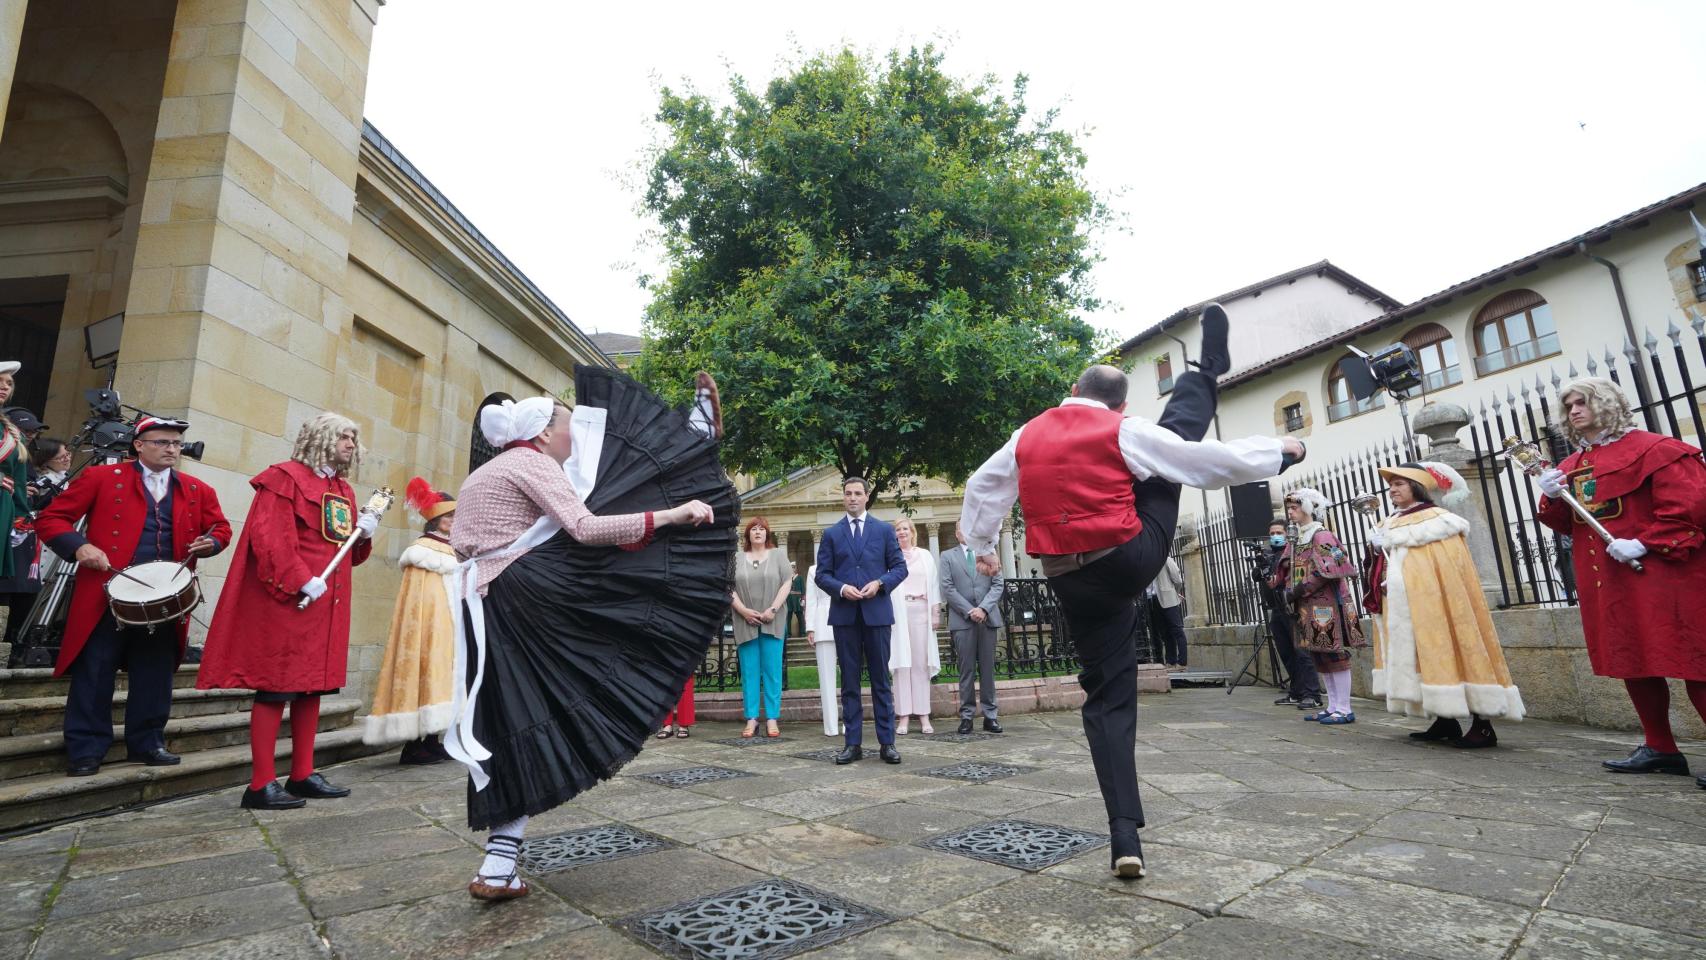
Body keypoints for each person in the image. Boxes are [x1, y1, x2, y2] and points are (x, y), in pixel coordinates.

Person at [960, 303, 1303, 878]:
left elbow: (982, 486)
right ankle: (1205, 371)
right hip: (1127, 561)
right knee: (1170, 459)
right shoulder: (1123, 428)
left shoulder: (1026, 434)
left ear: (1072, 390)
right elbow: (1202, 461)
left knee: (1107, 701)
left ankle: (1125, 837)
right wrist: (1278, 452)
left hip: (1066, 578)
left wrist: (984, 544)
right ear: (1119, 403)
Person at [445, 368, 730, 901]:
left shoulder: (484, 473)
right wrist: (672, 514)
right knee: (623, 605)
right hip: (527, 597)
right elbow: (585, 528)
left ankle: (499, 863)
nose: (575, 432)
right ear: (544, 433)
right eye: (568, 424)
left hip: (485, 604)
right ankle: (694, 436)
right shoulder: (532, 464)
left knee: (514, 717)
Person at [198, 413, 377, 810]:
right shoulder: (284, 477)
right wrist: (299, 579)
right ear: (320, 438)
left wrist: (364, 535)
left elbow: (347, 553)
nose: (351, 444)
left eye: (353, 438)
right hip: (290, 599)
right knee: (276, 687)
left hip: (326, 602)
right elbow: (270, 538)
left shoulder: (343, 489)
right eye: (343, 437)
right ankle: (260, 783)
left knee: (312, 686)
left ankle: (302, 773)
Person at [1534, 376, 1706, 788]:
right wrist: (1552, 497)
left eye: (1583, 402)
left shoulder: (1657, 449)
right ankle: (1661, 747)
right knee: (1634, 657)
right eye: (1569, 405)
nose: (1574, 410)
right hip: (1610, 580)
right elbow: (1567, 524)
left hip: (1666, 574)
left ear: (1607, 403)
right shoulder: (1572, 465)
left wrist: (1645, 543)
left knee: (1694, 659)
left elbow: (1691, 509)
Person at [35, 416, 230, 776]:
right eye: (162, 442)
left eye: (175, 443)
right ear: (139, 445)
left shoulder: (196, 488)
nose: (171, 449)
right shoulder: (101, 478)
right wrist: (80, 547)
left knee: (155, 673)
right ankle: (86, 749)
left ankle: (148, 742)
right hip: (106, 593)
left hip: (165, 597)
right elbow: (51, 519)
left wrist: (212, 542)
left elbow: (220, 527)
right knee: (95, 670)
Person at [1365, 461, 1522, 748]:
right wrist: (1378, 555)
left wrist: (1402, 576)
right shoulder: (1389, 521)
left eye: (1399, 483)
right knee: (1425, 657)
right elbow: (1393, 565)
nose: (1392, 490)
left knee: (1459, 650)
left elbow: (1444, 568)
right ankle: (1444, 719)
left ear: (1417, 486)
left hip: (1440, 604)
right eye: (1391, 485)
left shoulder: (1438, 521)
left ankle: (1482, 724)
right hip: (1407, 606)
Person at [364, 478, 460, 764]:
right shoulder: (423, 551)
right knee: (422, 672)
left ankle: (432, 740)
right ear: (438, 520)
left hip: (448, 627)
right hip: (426, 628)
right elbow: (421, 601)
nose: (455, 521)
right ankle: (414, 744)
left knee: (440, 678)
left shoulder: (452, 548)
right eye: (450, 516)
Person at [817, 476, 909, 765]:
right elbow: (822, 574)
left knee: (881, 680)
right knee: (850, 683)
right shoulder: (831, 534)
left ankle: (887, 743)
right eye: (848, 493)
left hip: (877, 614)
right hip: (845, 615)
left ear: (867, 496)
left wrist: (880, 583)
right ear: (843, 497)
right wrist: (842, 588)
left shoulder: (883, 531)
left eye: (858, 493)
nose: (853, 497)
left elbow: (899, 567)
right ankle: (852, 743)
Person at [1270, 488, 1365, 725]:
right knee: (1319, 655)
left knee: (1334, 654)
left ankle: (1344, 707)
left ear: (1309, 508)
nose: (1290, 512)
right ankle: (1332, 705)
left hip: (1326, 604)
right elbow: (1286, 568)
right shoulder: (1296, 537)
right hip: (1305, 606)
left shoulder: (1320, 535)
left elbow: (1331, 566)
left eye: (1294, 507)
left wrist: (1301, 588)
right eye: (1289, 508)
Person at [731, 516, 791, 738]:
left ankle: (772, 718)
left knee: (772, 671)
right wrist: (744, 611)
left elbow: (787, 582)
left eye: (761, 529)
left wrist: (772, 609)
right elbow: (727, 587)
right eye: (753, 529)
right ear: (747, 535)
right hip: (744, 621)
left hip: (772, 620)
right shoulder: (736, 558)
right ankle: (752, 718)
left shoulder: (778, 556)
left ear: (767, 533)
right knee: (749, 671)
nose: (757, 532)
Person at [941, 526, 1004, 735]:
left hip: (987, 619)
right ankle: (966, 716)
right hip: (962, 621)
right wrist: (970, 611)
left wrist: (984, 608)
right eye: (960, 528)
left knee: (988, 670)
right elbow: (947, 588)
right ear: (957, 532)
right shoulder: (947, 556)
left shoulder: (989, 553)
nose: (964, 532)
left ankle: (990, 716)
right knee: (966, 670)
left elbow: (997, 584)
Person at [1259, 518, 1321, 710]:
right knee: (1286, 651)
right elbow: (1271, 581)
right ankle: (1296, 691)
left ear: (1288, 533)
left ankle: (1312, 693)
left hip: (1293, 607)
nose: (1275, 537)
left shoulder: (1294, 551)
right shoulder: (1272, 554)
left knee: (1302, 652)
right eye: (1272, 534)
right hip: (1276, 608)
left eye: (1279, 532)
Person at [889, 517, 941, 734]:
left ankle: (923, 715)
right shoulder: (891, 557)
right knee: (902, 664)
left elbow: (935, 584)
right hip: (899, 612)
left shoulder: (925, 556)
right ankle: (903, 716)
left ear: (912, 532)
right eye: (898, 530)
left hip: (921, 610)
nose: (901, 532)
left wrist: (936, 612)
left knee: (920, 663)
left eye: (905, 529)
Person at [0, 364, 30, 588]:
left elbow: (19, 481)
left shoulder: (12, 433)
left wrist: (20, 517)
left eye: (9, 384)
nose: (4, 387)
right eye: (0, 381)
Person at [804, 562, 840, 736]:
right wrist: (810, 627)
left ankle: (851, 723)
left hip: (848, 622)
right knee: (826, 679)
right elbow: (811, 599)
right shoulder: (814, 569)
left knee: (851, 677)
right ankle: (831, 726)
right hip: (823, 621)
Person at [1148, 554, 1187, 668]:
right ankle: (1171, 661)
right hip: (1153, 600)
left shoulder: (1165, 558)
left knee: (1177, 630)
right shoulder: (1147, 561)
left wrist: (1174, 592)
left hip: (1169, 598)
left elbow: (1177, 579)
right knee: (1165, 633)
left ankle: (1182, 662)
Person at [786, 565, 806, 638]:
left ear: (795, 568)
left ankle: (803, 633)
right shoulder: (787, 578)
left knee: (800, 616)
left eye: (793, 567)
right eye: (791, 567)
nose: (792, 569)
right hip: (789, 599)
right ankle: (788, 633)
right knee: (788, 617)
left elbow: (803, 589)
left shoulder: (800, 578)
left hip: (798, 599)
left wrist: (803, 599)